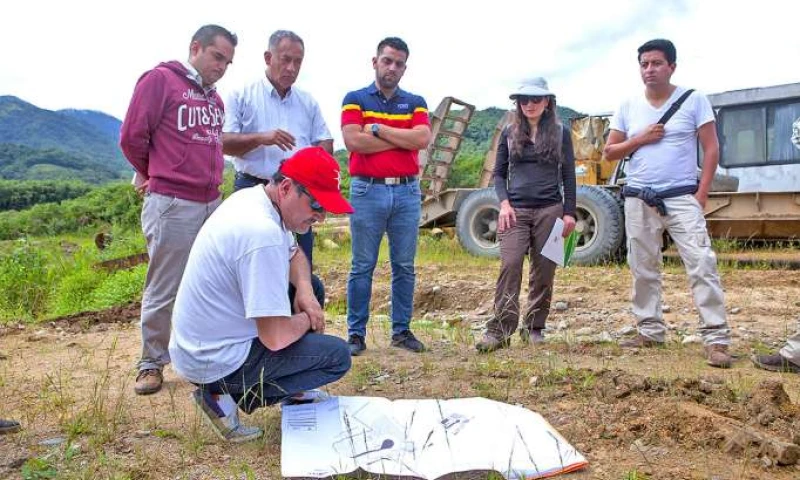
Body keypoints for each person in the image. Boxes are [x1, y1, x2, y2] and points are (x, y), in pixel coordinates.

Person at [169, 146, 353, 443]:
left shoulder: (255, 199)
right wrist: (308, 319)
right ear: (286, 187)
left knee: (312, 286)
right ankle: (223, 395)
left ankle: (272, 383)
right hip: (214, 360)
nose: (321, 216)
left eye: (326, 208)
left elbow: (294, 256)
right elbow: (276, 337)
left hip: (200, 342)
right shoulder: (261, 234)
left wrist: (304, 292)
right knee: (337, 357)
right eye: (316, 204)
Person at [120, 25, 237, 395]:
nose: (222, 66)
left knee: (207, 283)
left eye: (228, 62)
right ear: (196, 48)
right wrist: (152, 172)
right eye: (217, 56)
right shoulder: (160, 81)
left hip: (210, 202)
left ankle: (201, 358)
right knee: (164, 285)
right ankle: (151, 363)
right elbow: (132, 137)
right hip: (173, 202)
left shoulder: (215, 102)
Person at [603, 39, 732, 368]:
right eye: (644, 64)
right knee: (642, 267)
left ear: (671, 66)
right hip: (638, 197)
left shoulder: (693, 99)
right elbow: (610, 152)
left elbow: (711, 148)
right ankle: (650, 330)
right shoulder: (628, 105)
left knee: (702, 263)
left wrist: (701, 194)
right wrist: (641, 139)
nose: (649, 69)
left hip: (681, 196)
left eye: (656, 63)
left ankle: (716, 338)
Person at [341, 37, 432, 356]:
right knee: (362, 265)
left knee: (404, 266)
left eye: (398, 63)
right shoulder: (355, 99)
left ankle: (401, 331)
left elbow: (422, 138)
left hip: (406, 191)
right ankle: (356, 334)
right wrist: (401, 140)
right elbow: (354, 142)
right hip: (367, 189)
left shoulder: (416, 101)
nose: (392, 67)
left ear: (404, 67)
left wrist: (378, 130)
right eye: (387, 60)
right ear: (375, 61)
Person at [475, 78, 577, 353]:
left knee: (545, 269)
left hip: (551, 209)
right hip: (515, 211)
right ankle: (499, 330)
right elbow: (498, 174)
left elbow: (568, 176)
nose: (529, 104)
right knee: (510, 265)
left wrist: (569, 213)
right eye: (524, 100)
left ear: (547, 102)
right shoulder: (509, 132)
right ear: (518, 104)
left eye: (535, 99)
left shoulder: (560, 132)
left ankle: (534, 327)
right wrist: (504, 205)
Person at [223, 30, 333, 267]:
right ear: (267, 57)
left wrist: (312, 169)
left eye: (298, 61)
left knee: (298, 264)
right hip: (252, 188)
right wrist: (262, 138)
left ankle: (296, 302)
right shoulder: (241, 94)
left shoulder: (308, 102)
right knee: (251, 263)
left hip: (297, 193)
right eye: (285, 59)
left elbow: (325, 141)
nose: (291, 68)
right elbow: (224, 142)